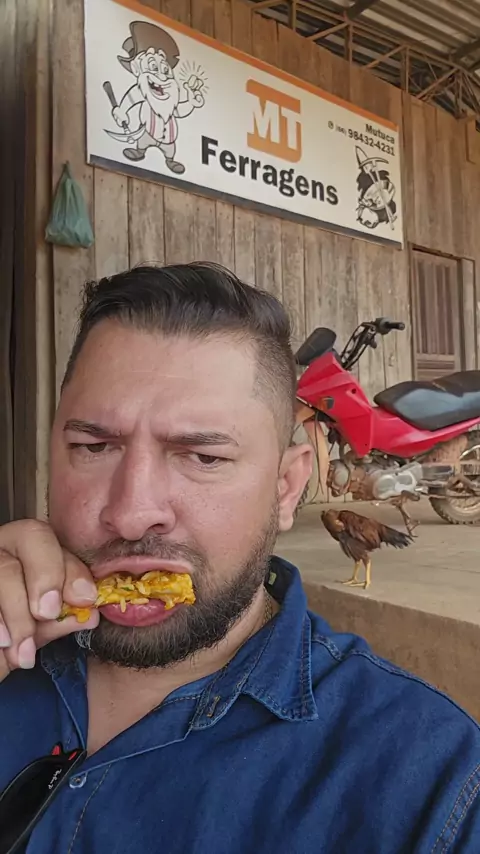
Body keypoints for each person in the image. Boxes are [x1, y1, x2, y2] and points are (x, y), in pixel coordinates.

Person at [0, 262, 479, 854]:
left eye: (204, 457)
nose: (131, 513)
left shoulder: (435, 788)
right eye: (93, 446)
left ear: (286, 488)